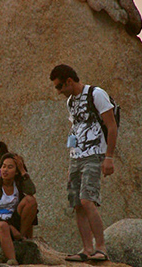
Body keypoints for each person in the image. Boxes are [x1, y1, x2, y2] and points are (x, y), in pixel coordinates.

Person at [49, 64, 118, 262]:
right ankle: (87, 249)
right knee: (77, 203)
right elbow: (74, 128)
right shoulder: (70, 101)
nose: (59, 91)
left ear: (69, 81)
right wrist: (71, 155)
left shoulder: (96, 94)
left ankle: (101, 247)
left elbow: (111, 126)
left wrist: (109, 157)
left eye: (60, 86)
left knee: (88, 200)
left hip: (95, 153)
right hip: (76, 157)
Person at [0, 153, 38, 266]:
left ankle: (20, 239)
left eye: (10, 167)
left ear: (16, 172)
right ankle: (12, 260)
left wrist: (23, 171)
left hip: (12, 219)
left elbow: (31, 191)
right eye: (3, 166)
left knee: (30, 200)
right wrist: (10, 227)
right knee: (3, 226)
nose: (5, 170)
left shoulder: (17, 184)